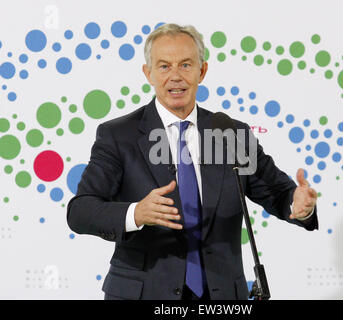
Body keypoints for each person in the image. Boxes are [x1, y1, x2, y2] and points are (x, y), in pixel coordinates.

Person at [66, 23, 318, 300]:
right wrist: (135, 213)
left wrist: (299, 204)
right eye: (164, 66)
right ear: (148, 73)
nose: (176, 76)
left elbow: (278, 193)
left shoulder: (231, 132)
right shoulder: (118, 135)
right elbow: (81, 211)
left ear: (202, 71)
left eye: (186, 65)